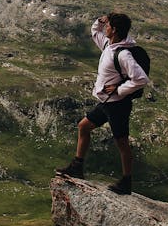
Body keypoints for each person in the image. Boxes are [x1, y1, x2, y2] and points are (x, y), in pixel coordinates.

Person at [56, 13, 150, 194]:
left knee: (122, 143)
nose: (105, 28)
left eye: (108, 26)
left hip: (117, 106)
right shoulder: (108, 45)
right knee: (83, 126)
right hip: (106, 103)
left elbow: (140, 79)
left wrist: (119, 90)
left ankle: (126, 182)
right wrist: (101, 19)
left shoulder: (123, 54)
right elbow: (94, 31)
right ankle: (77, 166)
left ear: (113, 30)